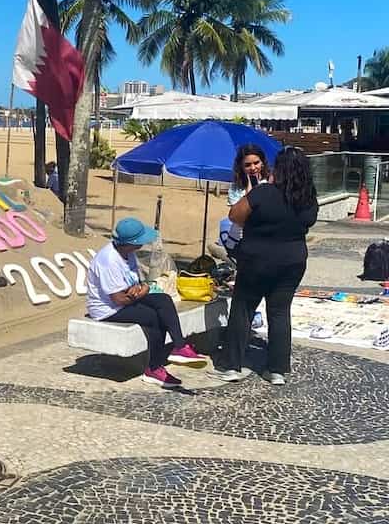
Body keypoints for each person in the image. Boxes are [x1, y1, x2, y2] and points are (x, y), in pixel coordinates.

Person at [218, 146, 318, 385]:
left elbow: (235, 216)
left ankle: (232, 365)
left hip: (257, 259)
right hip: (292, 260)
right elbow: (309, 222)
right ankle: (277, 370)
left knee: (243, 309)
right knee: (280, 312)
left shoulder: (263, 193)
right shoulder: (308, 198)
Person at [87, 217, 207, 388]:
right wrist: (142, 291)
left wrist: (141, 288)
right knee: (153, 317)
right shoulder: (108, 260)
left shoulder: (128, 254)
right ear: (132, 243)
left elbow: (137, 284)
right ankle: (154, 368)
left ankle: (179, 347)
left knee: (164, 300)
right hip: (108, 309)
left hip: (126, 299)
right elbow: (119, 299)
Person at [220, 143, 270, 255]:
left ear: (262, 163)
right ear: (241, 167)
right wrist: (249, 192)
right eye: (247, 165)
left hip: (263, 241)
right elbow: (237, 217)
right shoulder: (236, 187)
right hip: (238, 241)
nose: (253, 168)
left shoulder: (269, 183)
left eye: (256, 163)